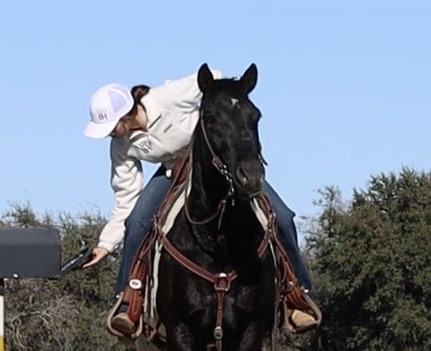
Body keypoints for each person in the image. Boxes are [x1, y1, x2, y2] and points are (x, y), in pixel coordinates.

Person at [82, 68, 319, 337]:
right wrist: (104, 244)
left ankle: (297, 295)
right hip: (173, 171)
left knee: (283, 217)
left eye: (110, 127)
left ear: (127, 112)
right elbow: (125, 197)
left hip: (216, 166)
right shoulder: (120, 146)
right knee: (136, 221)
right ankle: (129, 302)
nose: (109, 135)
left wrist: (221, 97)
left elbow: (211, 77)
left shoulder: (166, 97)